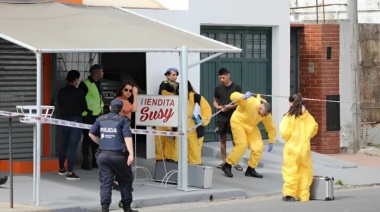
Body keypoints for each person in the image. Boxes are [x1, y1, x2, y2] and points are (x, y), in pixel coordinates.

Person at [89, 99, 138, 212]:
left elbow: (90, 133)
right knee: (125, 180)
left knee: (106, 182)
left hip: (103, 156)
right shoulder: (123, 120)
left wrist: (102, 142)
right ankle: (127, 208)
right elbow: (127, 137)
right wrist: (131, 153)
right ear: (121, 110)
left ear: (110, 108)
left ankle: (105, 208)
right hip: (119, 156)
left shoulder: (100, 119)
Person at [221, 92, 276, 178]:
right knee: (242, 145)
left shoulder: (266, 114)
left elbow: (271, 127)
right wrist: (243, 97)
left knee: (258, 147)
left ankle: (251, 169)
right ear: (260, 108)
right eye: (265, 114)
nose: (265, 116)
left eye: (267, 114)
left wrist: (271, 140)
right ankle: (227, 165)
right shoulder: (250, 102)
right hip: (238, 122)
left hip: (251, 126)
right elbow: (232, 96)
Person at [280, 94, 318, 202]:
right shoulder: (308, 116)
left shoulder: (289, 116)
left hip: (292, 148)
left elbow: (284, 132)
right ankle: (304, 195)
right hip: (305, 148)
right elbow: (314, 128)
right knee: (305, 171)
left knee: (290, 170)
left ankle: (290, 194)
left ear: (291, 102)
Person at [57, 70, 88, 180]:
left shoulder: (61, 91)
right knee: (72, 147)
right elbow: (84, 107)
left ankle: (61, 169)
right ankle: (70, 172)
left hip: (63, 120)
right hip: (75, 120)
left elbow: (59, 104)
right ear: (75, 80)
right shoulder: (79, 92)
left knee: (63, 145)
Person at [213, 68, 243, 171]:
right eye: (220, 78)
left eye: (223, 77)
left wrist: (230, 107)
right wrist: (218, 107)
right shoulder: (217, 88)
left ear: (228, 75)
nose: (222, 80)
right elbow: (215, 101)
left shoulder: (236, 87)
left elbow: (240, 102)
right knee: (223, 140)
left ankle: (236, 162)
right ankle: (224, 161)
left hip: (234, 117)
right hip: (221, 117)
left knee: (235, 140)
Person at [79, 64, 105, 170]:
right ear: (96, 72)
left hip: (98, 116)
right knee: (87, 139)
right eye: (101, 71)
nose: (103, 73)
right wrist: (86, 111)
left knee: (96, 139)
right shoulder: (85, 84)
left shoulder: (99, 83)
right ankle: (85, 161)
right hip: (88, 116)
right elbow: (80, 100)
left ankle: (95, 161)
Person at [113, 81, 138, 190]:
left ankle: (118, 180)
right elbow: (134, 109)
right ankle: (118, 181)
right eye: (126, 90)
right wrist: (136, 95)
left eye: (130, 91)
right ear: (121, 90)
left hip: (117, 131)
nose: (128, 92)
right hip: (122, 132)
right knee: (124, 157)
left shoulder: (118, 100)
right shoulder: (122, 101)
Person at [154, 68, 179, 162]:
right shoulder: (164, 84)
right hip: (163, 114)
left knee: (171, 139)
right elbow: (163, 93)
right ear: (167, 75)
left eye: (176, 74)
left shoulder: (179, 85)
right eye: (173, 74)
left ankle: (169, 158)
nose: (175, 76)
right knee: (160, 140)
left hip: (173, 114)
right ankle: (160, 159)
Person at [187, 81, 212, 165]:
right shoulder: (176, 98)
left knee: (195, 153)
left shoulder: (197, 97)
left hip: (195, 130)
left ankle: (195, 171)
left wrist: (201, 121)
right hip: (180, 130)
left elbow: (207, 112)